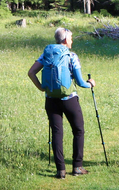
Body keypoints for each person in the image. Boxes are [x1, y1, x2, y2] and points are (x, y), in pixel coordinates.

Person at [28, 27, 95, 178]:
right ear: (65, 40)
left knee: (57, 133)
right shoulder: (72, 56)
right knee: (78, 130)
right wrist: (90, 83)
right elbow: (80, 82)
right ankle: (77, 167)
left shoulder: (46, 54)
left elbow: (31, 72)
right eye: (71, 38)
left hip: (51, 99)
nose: (72, 41)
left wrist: (41, 88)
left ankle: (61, 171)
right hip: (69, 99)